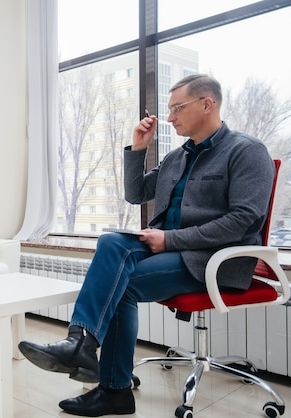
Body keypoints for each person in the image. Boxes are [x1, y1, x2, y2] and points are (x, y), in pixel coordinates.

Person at [18, 74, 275, 416]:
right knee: (111, 242)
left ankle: (108, 382)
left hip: (212, 259)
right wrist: (138, 148)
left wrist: (170, 239)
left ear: (207, 104)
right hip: (169, 248)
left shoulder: (247, 151)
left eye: (177, 108)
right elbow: (136, 193)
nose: (169, 117)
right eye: (169, 110)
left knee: (119, 286)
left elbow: (243, 221)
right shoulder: (177, 157)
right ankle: (80, 344)